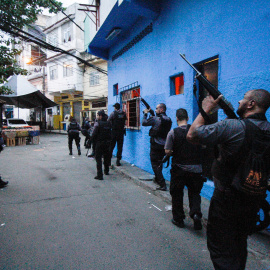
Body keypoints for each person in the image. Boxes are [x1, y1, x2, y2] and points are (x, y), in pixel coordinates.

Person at [187, 89, 270, 270]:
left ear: (251, 104)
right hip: (253, 199)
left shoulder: (233, 127)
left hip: (227, 200)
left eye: (244, 98)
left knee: (222, 249)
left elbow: (192, 134)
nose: (240, 101)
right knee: (238, 243)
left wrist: (206, 110)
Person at [165, 108, 205, 229]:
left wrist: (173, 152)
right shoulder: (196, 132)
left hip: (179, 169)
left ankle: (178, 219)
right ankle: (196, 214)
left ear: (177, 118)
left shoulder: (172, 132)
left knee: (177, 193)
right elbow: (203, 146)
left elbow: (167, 151)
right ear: (188, 118)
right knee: (194, 193)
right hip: (196, 169)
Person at [142, 103, 172, 191]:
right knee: (159, 164)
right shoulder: (168, 119)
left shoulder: (155, 119)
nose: (155, 110)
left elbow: (144, 123)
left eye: (157, 108)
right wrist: (152, 113)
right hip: (164, 145)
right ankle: (157, 179)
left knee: (154, 164)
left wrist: (145, 113)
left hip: (156, 145)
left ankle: (162, 184)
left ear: (162, 109)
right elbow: (159, 125)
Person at [91, 110, 112, 180]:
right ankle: (106, 171)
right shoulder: (109, 123)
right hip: (107, 143)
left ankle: (100, 175)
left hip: (99, 143)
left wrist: (90, 141)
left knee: (98, 158)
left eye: (98, 115)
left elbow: (94, 133)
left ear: (100, 116)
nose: (97, 116)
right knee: (106, 157)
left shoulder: (97, 123)